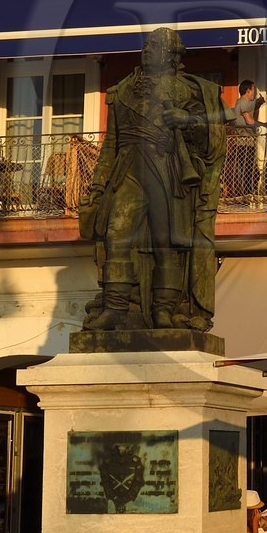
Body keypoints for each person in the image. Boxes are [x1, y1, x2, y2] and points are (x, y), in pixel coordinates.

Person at [78, 26, 225, 334]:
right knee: (117, 235)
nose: (146, 51)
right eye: (146, 46)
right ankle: (116, 308)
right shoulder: (122, 91)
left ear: (171, 56)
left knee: (166, 243)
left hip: (167, 168)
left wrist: (186, 122)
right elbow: (110, 144)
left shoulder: (189, 91)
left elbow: (209, 135)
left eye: (154, 46)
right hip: (128, 169)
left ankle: (164, 310)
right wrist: (97, 185)